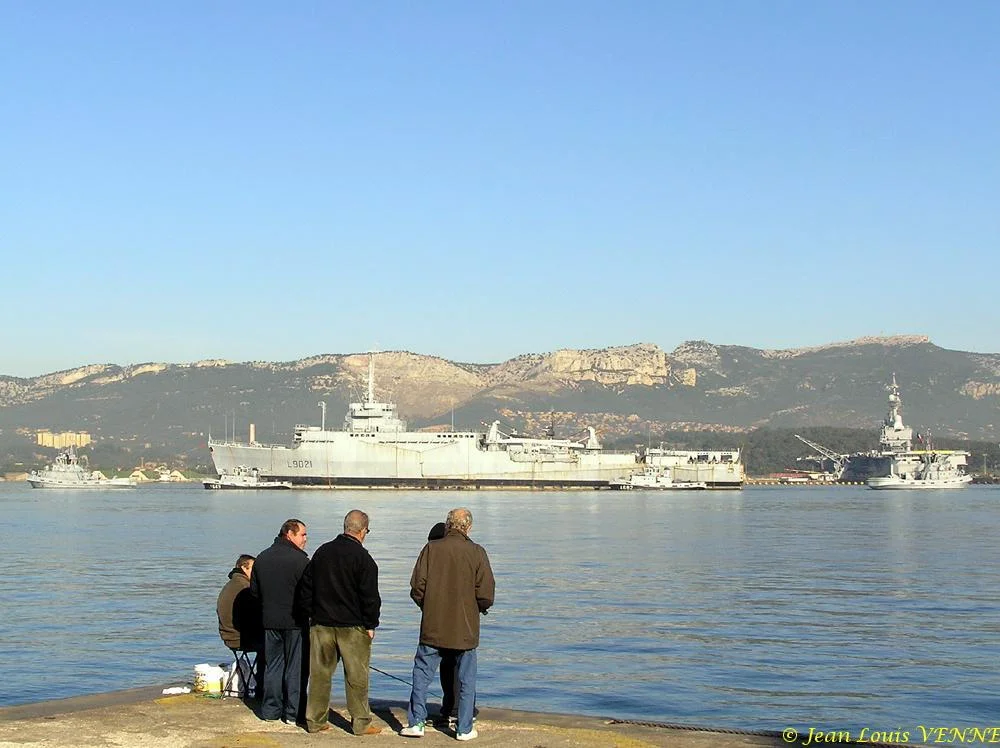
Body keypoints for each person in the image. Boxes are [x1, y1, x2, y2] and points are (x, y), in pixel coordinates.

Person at [400, 508, 494, 741]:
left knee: (422, 674)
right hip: (465, 628)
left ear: (447, 525)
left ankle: (416, 723)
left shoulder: (431, 549)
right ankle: (463, 728)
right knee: (466, 680)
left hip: (433, 626)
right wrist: (477, 608)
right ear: (468, 527)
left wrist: (429, 606)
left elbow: (417, 588)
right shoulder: (477, 552)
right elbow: (486, 594)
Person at [299, 510, 382, 736]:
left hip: (321, 624)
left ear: (345, 526)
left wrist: (310, 614)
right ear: (363, 530)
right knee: (356, 677)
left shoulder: (322, 552)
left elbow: (306, 588)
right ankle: (361, 723)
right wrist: (370, 624)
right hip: (353, 627)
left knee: (319, 675)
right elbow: (370, 597)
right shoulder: (364, 559)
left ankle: (315, 721)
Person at [250, 518, 309, 724]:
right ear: (289, 534)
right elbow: (307, 594)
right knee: (295, 668)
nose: (305, 539)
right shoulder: (300, 561)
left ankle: (270, 711)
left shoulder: (262, 558)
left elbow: (255, 592)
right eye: (302, 535)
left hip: (269, 620)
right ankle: (293, 713)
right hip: (295, 622)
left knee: (273, 666)